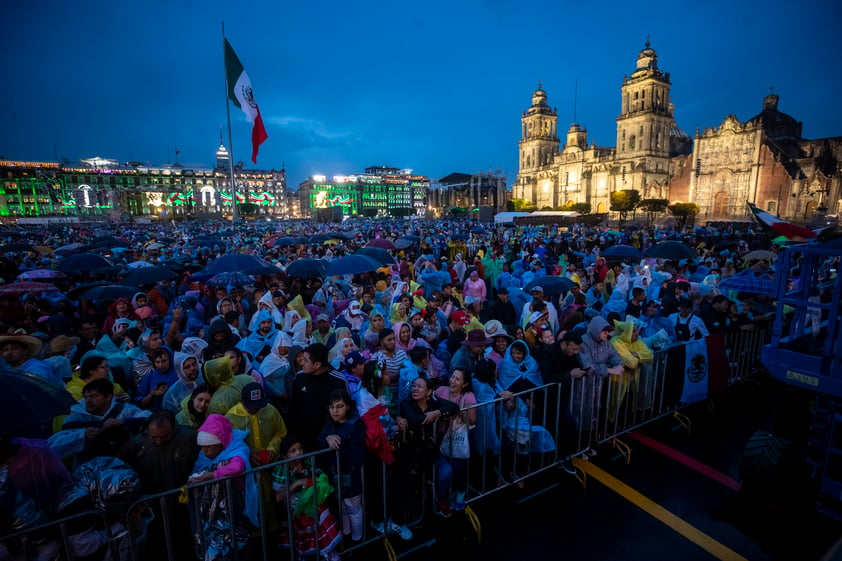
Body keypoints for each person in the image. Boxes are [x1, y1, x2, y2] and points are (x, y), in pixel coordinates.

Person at [188, 414, 259, 561]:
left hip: (232, 508)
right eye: (203, 447)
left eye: (209, 447)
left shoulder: (236, 449)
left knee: (235, 545)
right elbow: (198, 469)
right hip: (209, 512)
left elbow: (237, 466)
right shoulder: (204, 455)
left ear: (220, 443)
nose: (205, 451)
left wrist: (211, 475)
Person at [49, 378, 151, 465]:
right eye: (86, 397)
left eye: (94, 396)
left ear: (108, 397)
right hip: (88, 470)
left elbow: (149, 418)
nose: (88, 401)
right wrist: (82, 435)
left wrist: (124, 421)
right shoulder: (76, 418)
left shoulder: (125, 410)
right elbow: (53, 447)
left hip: (124, 465)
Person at [271, 436, 342, 560]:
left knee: (322, 520)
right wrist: (297, 484)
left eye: (300, 449)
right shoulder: (281, 469)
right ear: (284, 456)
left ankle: (328, 552)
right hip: (293, 509)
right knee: (302, 531)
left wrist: (312, 479)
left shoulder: (307, 461)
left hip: (312, 503)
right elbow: (278, 498)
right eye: (293, 451)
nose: (298, 453)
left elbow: (317, 476)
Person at [399, 377, 458, 528]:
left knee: (446, 472)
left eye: (419, 386)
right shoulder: (406, 403)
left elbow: (454, 407)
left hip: (432, 452)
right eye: (413, 386)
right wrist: (431, 416)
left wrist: (437, 411)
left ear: (429, 391)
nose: (415, 389)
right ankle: (414, 513)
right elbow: (414, 419)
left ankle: (440, 498)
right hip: (412, 455)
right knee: (412, 484)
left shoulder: (434, 403)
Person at [317, 389, 366, 545]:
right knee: (343, 507)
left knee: (354, 510)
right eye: (332, 407)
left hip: (351, 477)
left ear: (348, 407)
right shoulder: (329, 423)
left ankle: (357, 540)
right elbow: (319, 439)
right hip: (336, 475)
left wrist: (339, 443)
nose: (335, 411)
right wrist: (327, 438)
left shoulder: (356, 426)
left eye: (339, 406)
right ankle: (346, 535)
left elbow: (358, 457)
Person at [576, 317, 624, 457]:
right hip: (583, 387)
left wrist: (619, 364)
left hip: (597, 386)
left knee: (593, 414)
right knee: (580, 415)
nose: (607, 334)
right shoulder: (584, 342)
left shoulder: (605, 343)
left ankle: (588, 444)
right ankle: (578, 447)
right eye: (605, 331)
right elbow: (588, 365)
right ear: (597, 329)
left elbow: (614, 355)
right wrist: (610, 370)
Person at [288, 343, 349, 451]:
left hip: (329, 444)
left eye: (306, 361)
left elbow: (347, 412)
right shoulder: (300, 377)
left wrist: (329, 435)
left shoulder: (338, 381)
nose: (302, 363)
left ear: (317, 365)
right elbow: (293, 408)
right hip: (304, 442)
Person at [434, 369, 477, 513]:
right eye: (452, 377)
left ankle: (460, 493)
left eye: (457, 379)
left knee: (459, 466)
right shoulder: (440, 391)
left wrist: (459, 410)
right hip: (440, 437)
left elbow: (472, 420)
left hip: (458, 436)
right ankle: (442, 497)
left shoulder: (469, 396)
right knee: (444, 469)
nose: (453, 381)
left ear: (464, 384)